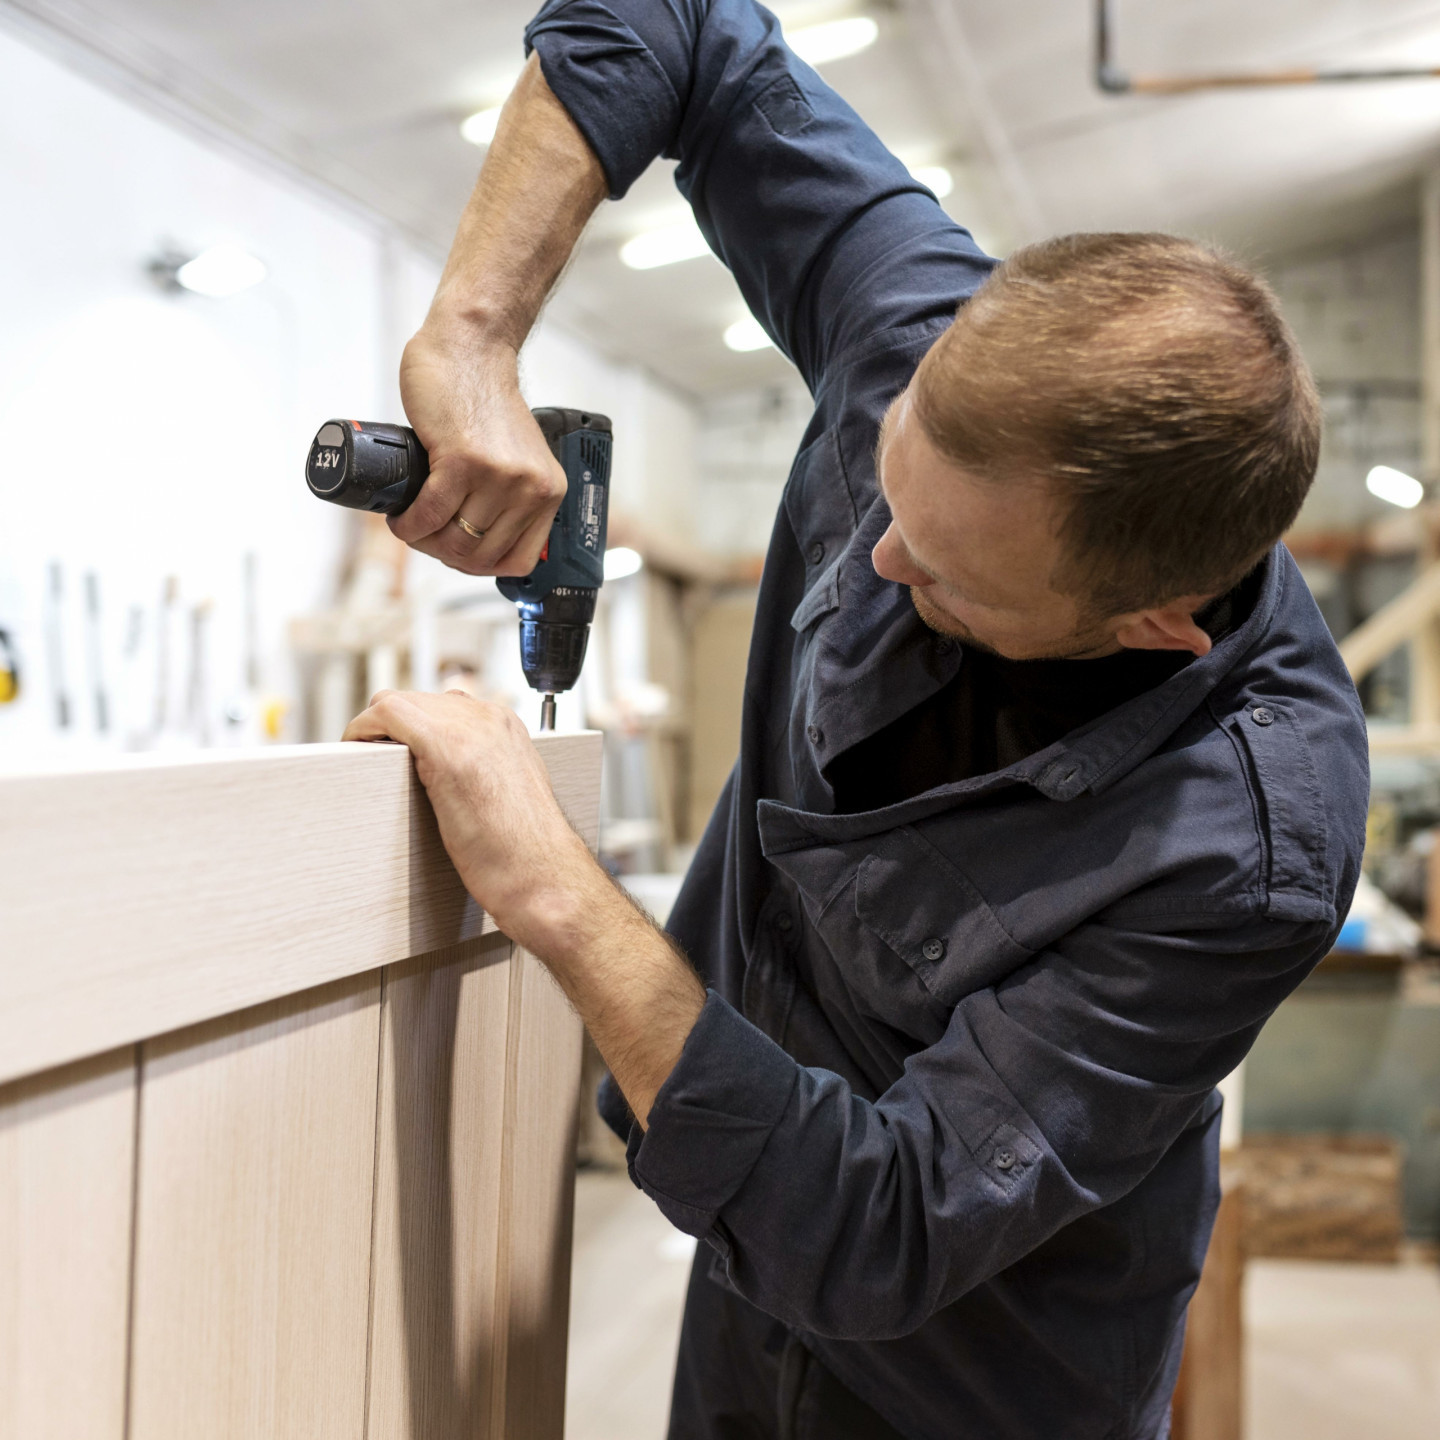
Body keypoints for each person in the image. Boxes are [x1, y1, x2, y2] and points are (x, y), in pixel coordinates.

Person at [344, 2, 1370, 1435]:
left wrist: (557, 892)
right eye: (889, 487)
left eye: (944, 576)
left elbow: (884, 1225)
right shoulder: (911, 330)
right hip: (747, 1282)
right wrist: (469, 336)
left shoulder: (1247, 847)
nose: (880, 560)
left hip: (987, 1373)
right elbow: (677, 20)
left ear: (1150, 626)